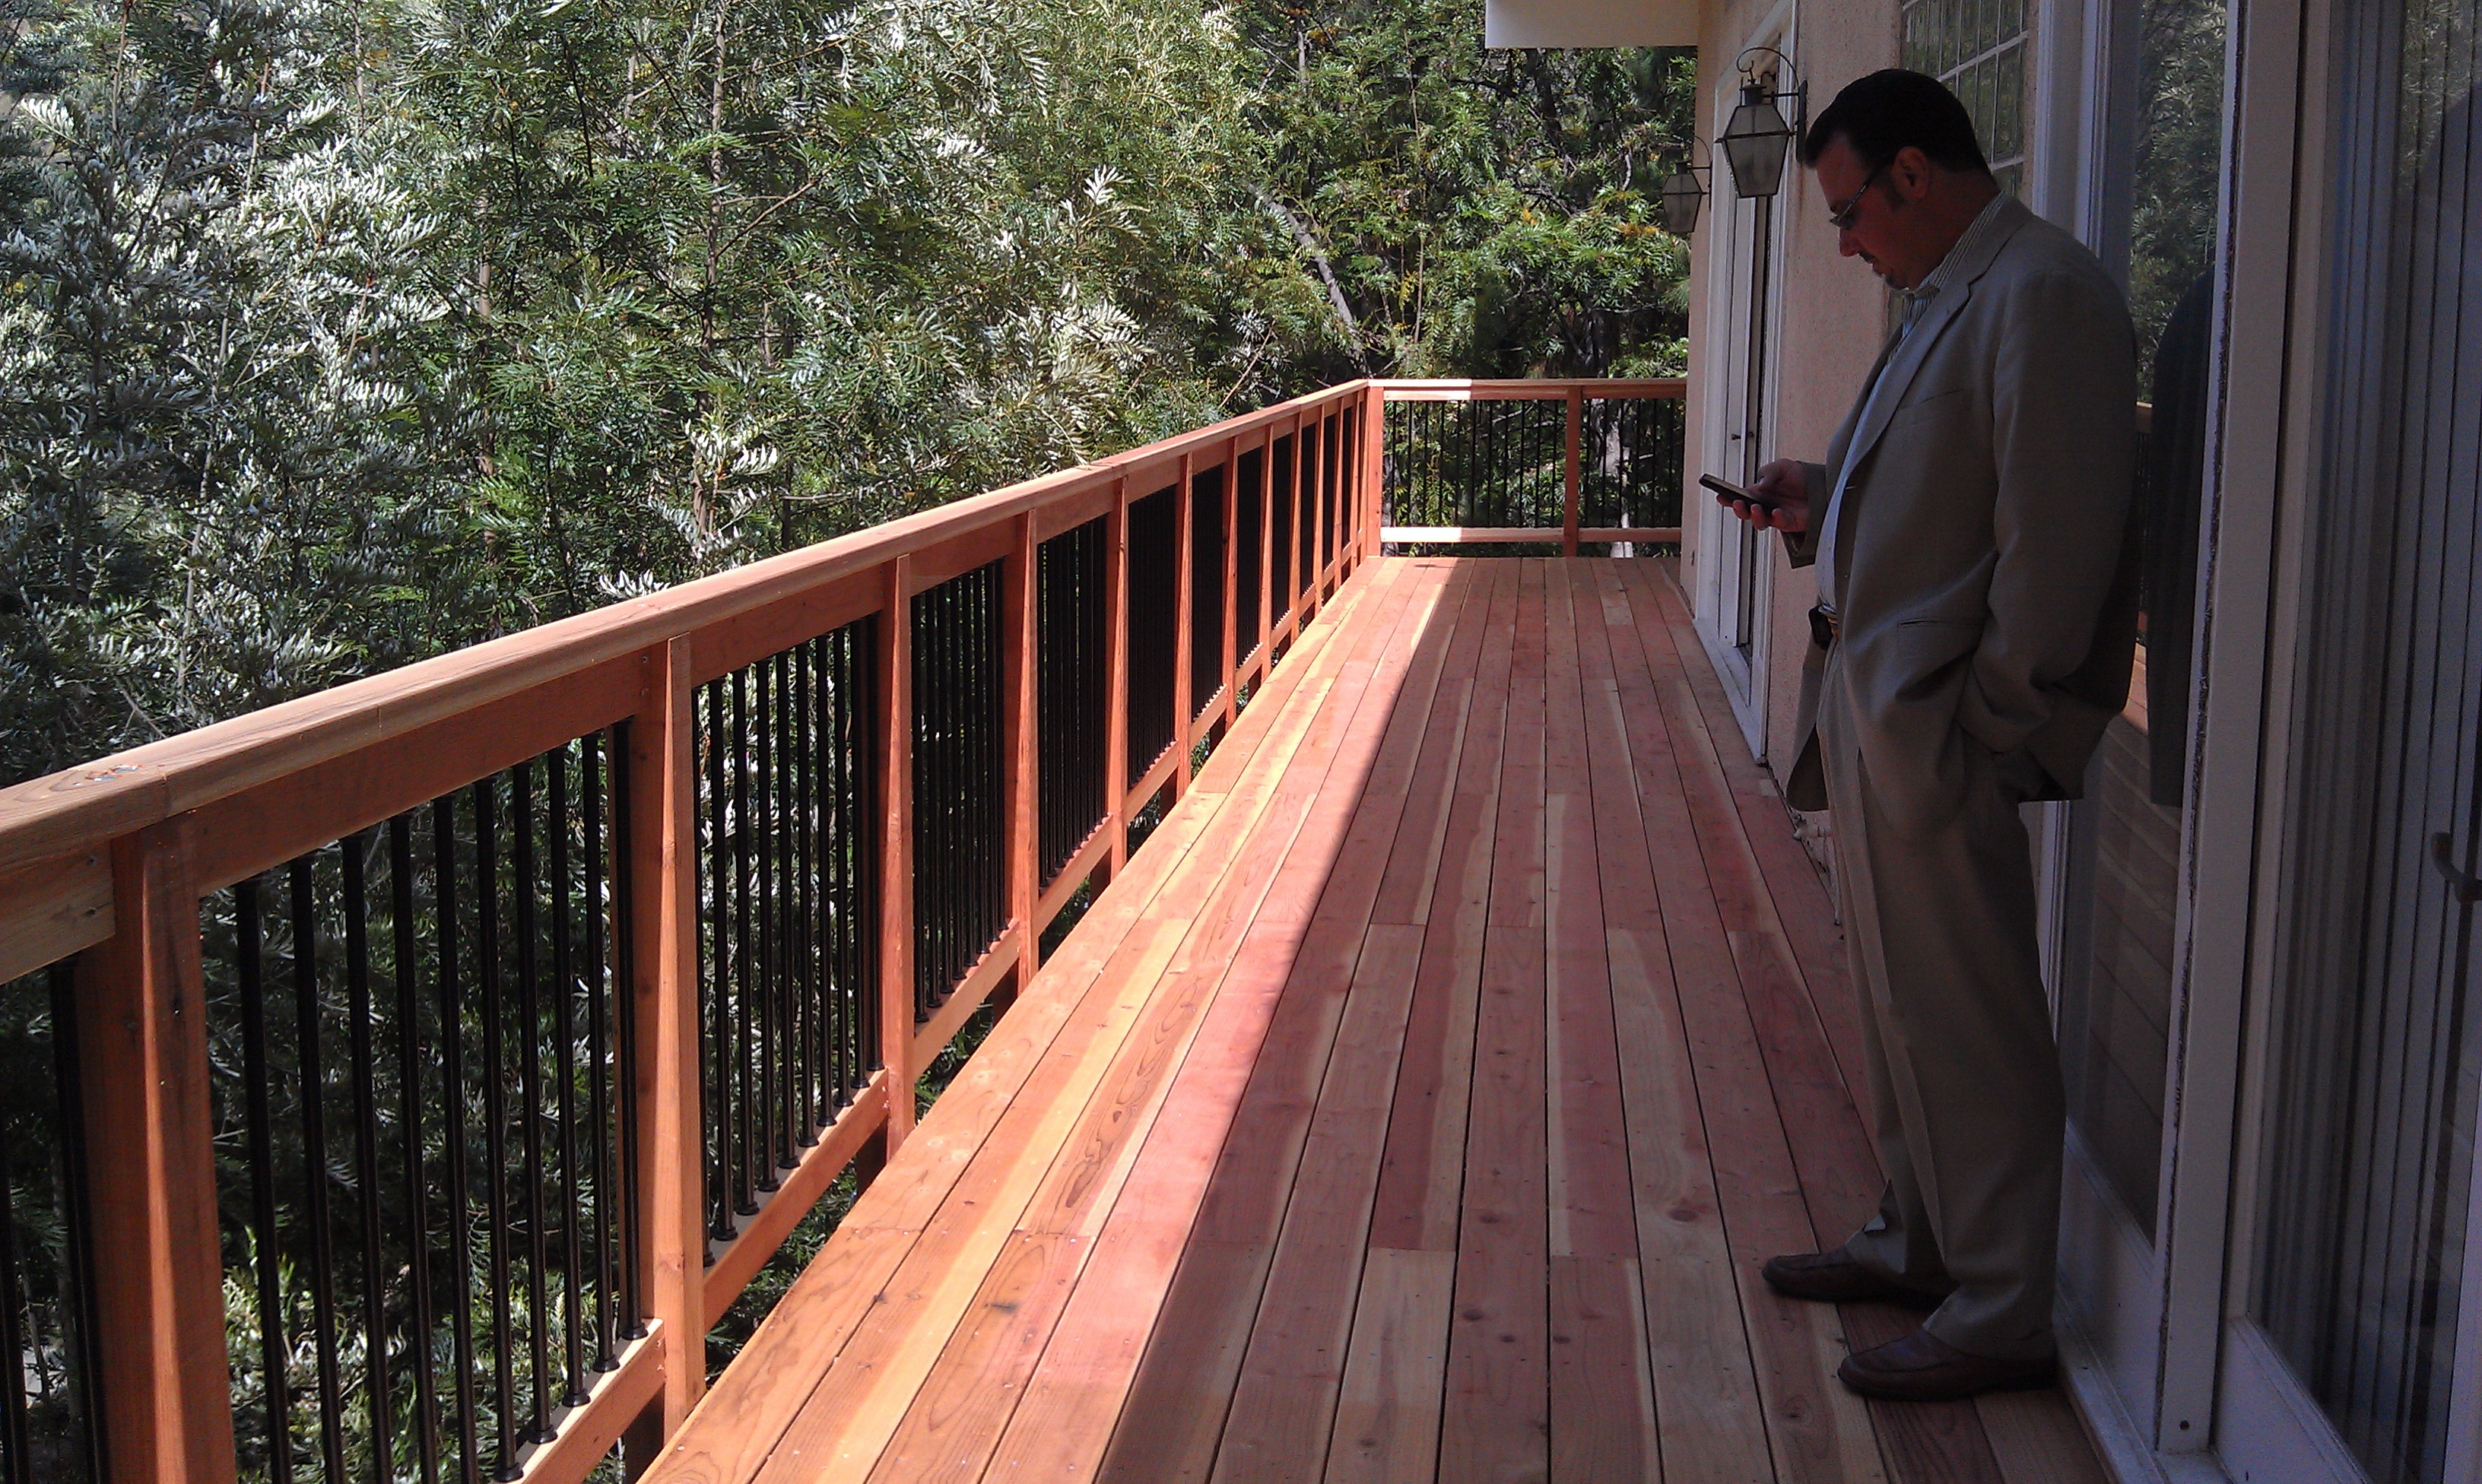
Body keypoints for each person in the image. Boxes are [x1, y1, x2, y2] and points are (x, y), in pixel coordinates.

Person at [1717, 69, 2139, 1402]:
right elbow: (1944, 483)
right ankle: (1923, 1241)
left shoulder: (2044, 298)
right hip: (1881, 715)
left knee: (1975, 1023)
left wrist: (1986, 724)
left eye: (1848, 212)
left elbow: (2056, 551)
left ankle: (2006, 1304)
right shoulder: (1948, 291)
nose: (1844, 243)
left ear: (1911, 175)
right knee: (1900, 1004)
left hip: (1940, 726)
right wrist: (1823, 494)